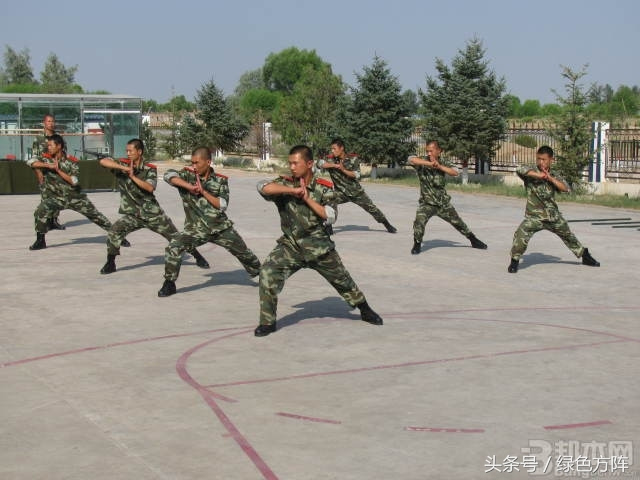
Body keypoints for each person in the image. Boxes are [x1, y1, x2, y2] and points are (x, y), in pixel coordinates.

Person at [254, 145, 383, 337]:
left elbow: (330, 216)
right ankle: (267, 322)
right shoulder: (285, 183)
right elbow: (262, 187)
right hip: (291, 246)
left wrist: (307, 198)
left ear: (309, 164)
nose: (292, 167)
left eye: (295, 163)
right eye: (290, 163)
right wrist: (291, 191)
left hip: (319, 247)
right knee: (267, 273)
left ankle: (364, 309)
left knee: (343, 281)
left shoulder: (324, 187)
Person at [158, 146, 261, 297]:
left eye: (197, 163)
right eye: (192, 162)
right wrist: (189, 187)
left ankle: (263, 275)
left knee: (245, 253)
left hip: (220, 228)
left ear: (208, 162)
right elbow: (168, 175)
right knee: (174, 247)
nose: (194, 166)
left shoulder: (220, 180)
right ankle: (169, 283)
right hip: (196, 229)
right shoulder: (187, 175)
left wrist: (204, 192)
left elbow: (222, 204)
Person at [98, 138, 208, 275]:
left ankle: (197, 256)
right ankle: (111, 263)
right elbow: (103, 161)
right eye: (126, 151)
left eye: (130, 151)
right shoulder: (122, 165)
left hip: (152, 214)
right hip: (134, 214)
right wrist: (124, 168)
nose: (128, 153)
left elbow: (150, 188)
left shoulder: (150, 169)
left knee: (176, 238)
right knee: (114, 231)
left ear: (139, 152)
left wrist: (133, 176)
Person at [507, 145, 600, 273]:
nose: (541, 162)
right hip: (534, 217)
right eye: (538, 159)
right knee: (520, 236)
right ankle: (514, 262)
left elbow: (565, 188)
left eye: (544, 159)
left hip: (553, 216)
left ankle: (585, 256)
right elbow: (520, 169)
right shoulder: (531, 172)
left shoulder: (555, 175)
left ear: (551, 160)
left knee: (568, 236)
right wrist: (538, 175)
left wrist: (550, 178)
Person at [26, 134, 113, 250]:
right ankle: (40, 240)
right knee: (40, 211)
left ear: (59, 146)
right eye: (48, 146)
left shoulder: (71, 161)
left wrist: (58, 170)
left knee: (96, 216)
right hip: (57, 198)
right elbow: (30, 162)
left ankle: (118, 236)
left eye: (51, 145)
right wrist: (48, 165)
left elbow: (74, 181)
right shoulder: (45, 158)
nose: (49, 148)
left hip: (75, 197)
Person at [408, 141, 487, 254]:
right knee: (419, 221)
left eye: (431, 151)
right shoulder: (423, 161)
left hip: (442, 203)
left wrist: (439, 166)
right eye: (427, 151)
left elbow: (455, 172)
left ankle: (473, 240)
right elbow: (411, 159)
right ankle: (417, 244)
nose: (429, 153)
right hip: (427, 203)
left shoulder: (444, 162)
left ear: (439, 151)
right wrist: (429, 164)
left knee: (458, 223)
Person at [317, 138, 397, 233]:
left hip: (356, 192)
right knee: (326, 199)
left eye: (334, 148)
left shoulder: (353, 159)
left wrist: (343, 169)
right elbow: (319, 164)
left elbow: (357, 175)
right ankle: (328, 225)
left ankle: (387, 224)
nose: (332, 151)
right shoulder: (331, 159)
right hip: (340, 193)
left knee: (372, 209)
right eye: (331, 149)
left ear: (341, 148)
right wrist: (334, 165)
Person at [31, 114, 65, 230]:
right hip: (45, 172)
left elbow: (63, 156)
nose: (51, 123)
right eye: (49, 121)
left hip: (57, 172)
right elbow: (35, 159)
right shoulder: (39, 139)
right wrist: (39, 174)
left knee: (58, 197)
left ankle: (54, 220)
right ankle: (44, 221)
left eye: (53, 121)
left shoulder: (58, 138)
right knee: (46, 198)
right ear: (44, 123)